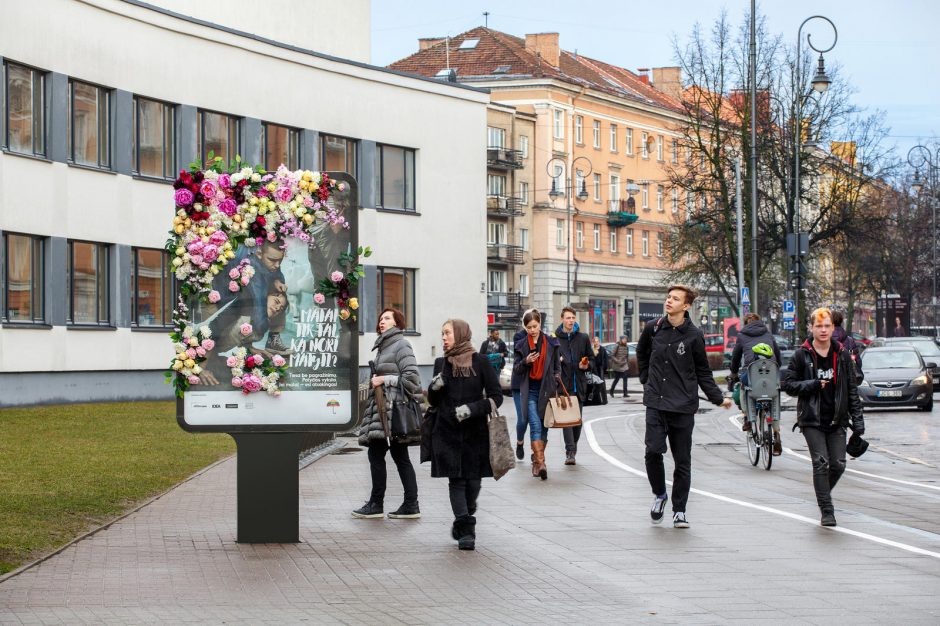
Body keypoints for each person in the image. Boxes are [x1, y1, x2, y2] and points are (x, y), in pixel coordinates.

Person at [637, 285, 733, 529]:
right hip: (656, 403)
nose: (669, 301)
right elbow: (642, 352)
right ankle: (659, 494)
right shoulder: (653, 328)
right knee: (652, 452)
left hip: (682, 406)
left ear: (686, 306)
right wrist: (646, 379)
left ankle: (679, 510)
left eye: (675, 299)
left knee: (682, 461)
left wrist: (717, 397)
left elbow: (703, 371)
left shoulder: (694, 335)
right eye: (668, 297)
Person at [781, 307, 864, 527]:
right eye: (819, 326)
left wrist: (858, 422)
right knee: (821, 462)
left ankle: (822, 492)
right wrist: (812, 385)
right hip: (812, 419)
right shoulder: (802, 354)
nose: (823, 330)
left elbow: (852, 390)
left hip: (837, 419)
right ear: (811, 328)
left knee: (838, 464)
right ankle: (827, 510)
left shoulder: (842, 354)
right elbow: (788, 385)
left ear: (833, 327)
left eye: (827, 325)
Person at [427, 319, 503, 550]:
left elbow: (496, 396)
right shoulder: (442, 363)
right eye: (442, 333)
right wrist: (434, 388)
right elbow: (433, 401)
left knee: (473, 482)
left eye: (447, 333)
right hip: (447, 431)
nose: (444, 337)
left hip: (475, 432)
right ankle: (465, 529)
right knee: (456, 480)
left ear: (460, 335)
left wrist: (473, 409)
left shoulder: (480, 362)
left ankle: (466, 512)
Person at [352, 308, 422, 520]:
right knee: (388, 455)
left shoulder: (401, 344)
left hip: (393, 411)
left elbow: (412, 379)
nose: (382, 322)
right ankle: (405, 503)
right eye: (381, 318)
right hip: (382, 411)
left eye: (387, 319)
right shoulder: (384, 346)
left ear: (397, 323)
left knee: (389, 456)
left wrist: (384, 379)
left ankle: (382, 503)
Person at [513, 309, 561, 480]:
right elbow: (517, 369)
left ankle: (536, 461)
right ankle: (541, 463)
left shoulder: (551, 342)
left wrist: (556, 379)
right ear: (525, 328)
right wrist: (526, 361)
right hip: (530, 391)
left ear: (540, 324)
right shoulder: (521, 345)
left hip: (547, 390)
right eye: (529, 327)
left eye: (535, 326)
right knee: (535, 425)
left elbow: (557, 367)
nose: (532, 330)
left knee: (545, 427)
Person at [729, 313, 783, 454]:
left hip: (751, 372)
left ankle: (747, 418)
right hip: (771, 371)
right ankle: (776, 433)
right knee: (774, 395)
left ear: (746, 323)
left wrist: (734, 373)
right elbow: (777, 354)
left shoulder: (742, 335)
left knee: (743, 389)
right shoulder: (769, 334)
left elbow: (735, 357)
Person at [554, 306, 594, 465]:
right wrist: (559, 361)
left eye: (573, 318)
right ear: (562, 319)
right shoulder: (555, 339)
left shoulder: (583, 338)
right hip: (564, 385)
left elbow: (592, 358)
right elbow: (550, 361)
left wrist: (587, 364)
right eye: (568, 318)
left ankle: (574, 445)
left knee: (577, 421)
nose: (571, 321)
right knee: (567, 420)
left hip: (579, 384)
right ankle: (570, 452)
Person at [831, 310, 863, 384]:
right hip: (846, 380)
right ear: (841, 321)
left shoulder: (824, 340)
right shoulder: (849, 340)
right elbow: (858, 363)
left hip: (829, 380)